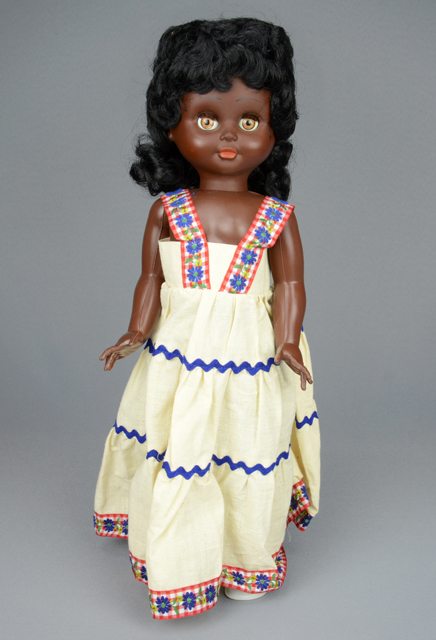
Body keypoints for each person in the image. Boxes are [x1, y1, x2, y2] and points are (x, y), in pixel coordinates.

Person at [93, 17, 321, 621]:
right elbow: (151, 278)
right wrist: (136, 330)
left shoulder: (276, 216)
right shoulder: (168, 210)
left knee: (246, 443)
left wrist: (287, 340)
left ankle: (243, 558)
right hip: (181, 354)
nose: (228, 137)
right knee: (182, 444)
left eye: (248, 121)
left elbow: (291, 283)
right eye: (206, 119)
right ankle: (179, 555)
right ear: (172, 125)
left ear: (273, 128)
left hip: (250, 355)